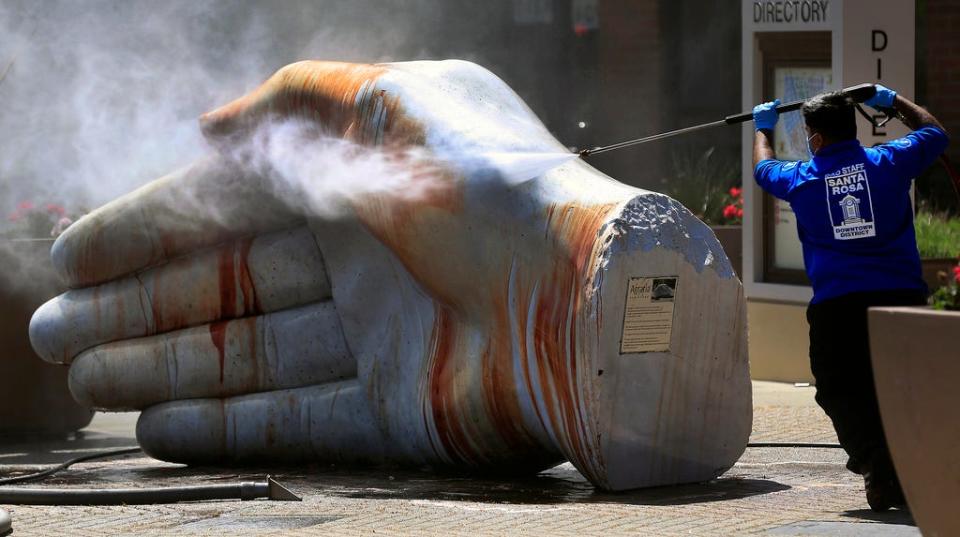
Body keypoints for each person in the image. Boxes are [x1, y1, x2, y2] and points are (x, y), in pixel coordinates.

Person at [751, 85, 950, 512]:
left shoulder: (802, 179)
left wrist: (762, 129)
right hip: (903, 301)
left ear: (816, 138)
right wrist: (894, 101)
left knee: (840, 390)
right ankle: (907, 465)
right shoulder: (889, 161)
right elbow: (935, 134)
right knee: (907, 388)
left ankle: (877, 463)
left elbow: (763, 169)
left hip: (839, 308)